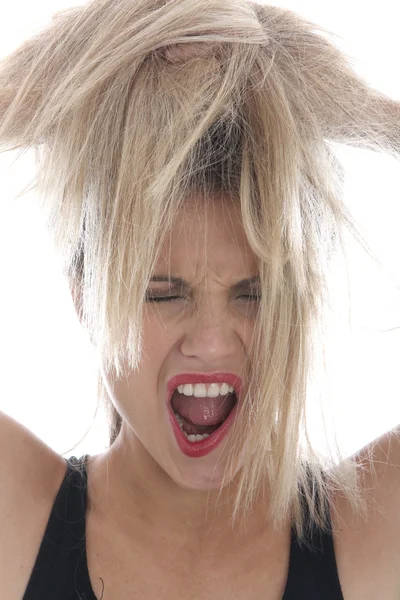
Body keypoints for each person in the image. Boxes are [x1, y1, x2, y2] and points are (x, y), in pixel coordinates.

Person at [0, 0, 399, 598]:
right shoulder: (14, 521)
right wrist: (124, 42)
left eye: (254, 294)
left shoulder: (375, 533)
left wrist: (350, 104)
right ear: (85, 296)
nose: (212, 340)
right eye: (163, 295)